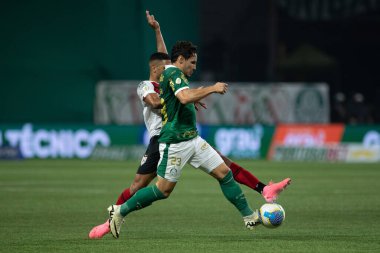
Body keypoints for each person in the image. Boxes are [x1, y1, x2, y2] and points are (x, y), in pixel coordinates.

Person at [89, 11, 290, 239]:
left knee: (225, 171)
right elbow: (171, 98)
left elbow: (171, 65)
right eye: (192, 62)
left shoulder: (173, 73)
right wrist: (201, 93)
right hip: (168, 139)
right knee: (157, 190)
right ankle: (117, 213)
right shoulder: (156, 81)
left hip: (191, 138)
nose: (195, 67)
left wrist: (157, 29)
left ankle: (249, 214)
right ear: (173, 63)